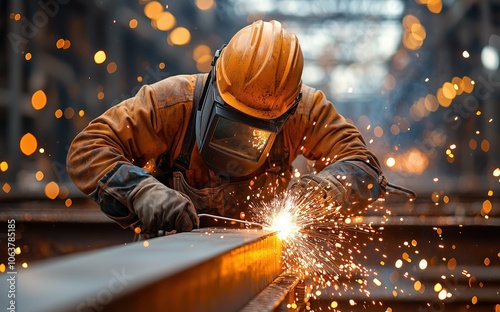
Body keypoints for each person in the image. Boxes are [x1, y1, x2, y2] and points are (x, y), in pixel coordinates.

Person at [67, 20, 390, 240]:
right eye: (233, 119)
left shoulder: (306, 110)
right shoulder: (171, 102)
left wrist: (322, 191)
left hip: (266, 257)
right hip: (169, 258)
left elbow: (363, 167)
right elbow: (88, 149)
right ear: (215, 86)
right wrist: (139, 190)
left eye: (259, 126)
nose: (241, 136)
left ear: (288, 110)